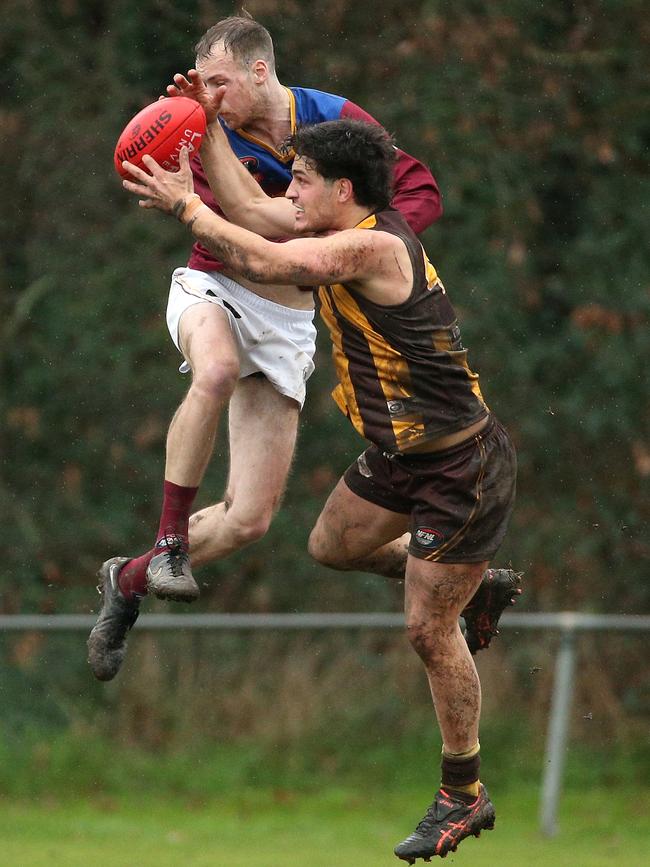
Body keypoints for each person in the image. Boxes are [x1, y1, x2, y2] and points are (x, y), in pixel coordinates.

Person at [117, 117, 518, 861]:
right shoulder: (339, 225)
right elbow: (259, 219)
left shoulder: (371, 244)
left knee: (428, 630)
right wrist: (204, 139)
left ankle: (463, 793)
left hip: (463, 466)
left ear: (342, 190)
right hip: (400, 457)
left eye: (300, 179)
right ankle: (473, 584)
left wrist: (185, 206)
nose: (287, 188)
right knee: (330, 543)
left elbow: (267, 262)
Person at [87, 13, 519, 685]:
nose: (212, 97)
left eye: (222, 84)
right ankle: (169, 540)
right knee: (217, 370)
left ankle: (130, 578)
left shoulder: (334, 122)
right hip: (217, 284)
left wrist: (373, 252)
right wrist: (202, 139)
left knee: (248, 521)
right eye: (204, 86)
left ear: (262, 70)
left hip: (286, 319)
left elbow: (415, 190)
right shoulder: (199, 127)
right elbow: (254, 229)